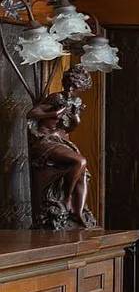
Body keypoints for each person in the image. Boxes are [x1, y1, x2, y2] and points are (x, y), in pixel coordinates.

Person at [27, 64, 97, 228]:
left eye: (76, 87)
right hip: (46, 140)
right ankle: (66, 198)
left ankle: (78, 213)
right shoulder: (56, 98)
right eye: (70, 86)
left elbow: (69, 127)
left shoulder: (76, 102)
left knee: (81, 173)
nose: (71, 90)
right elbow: (31, 114)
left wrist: (76, 120)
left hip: (62, 141)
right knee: (80, 162)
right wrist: (54, 114)